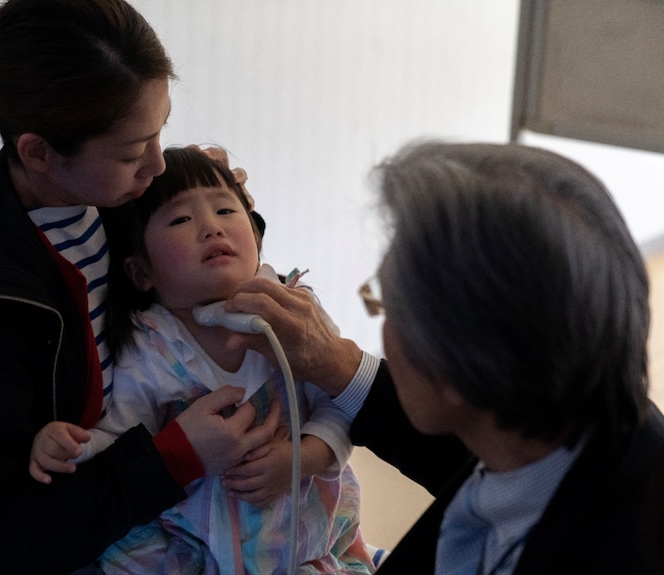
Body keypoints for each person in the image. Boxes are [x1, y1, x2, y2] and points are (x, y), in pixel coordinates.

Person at [0, 1, 281, 573]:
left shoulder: (98, 204)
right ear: (38, 152)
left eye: (159, 130)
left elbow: (175, 271)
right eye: (130, 151)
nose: (157, 165)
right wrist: (172, 460)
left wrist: (228, 210)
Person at [221, 141, 664, 574]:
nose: (385, 332)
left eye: (390, 307)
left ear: (458, 366)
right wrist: (337, 364)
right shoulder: (545, 436)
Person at [29, 146, 376, 574]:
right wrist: (72, 446)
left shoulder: (293, 311)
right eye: (180, 219)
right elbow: (124, 437)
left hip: (302, 537)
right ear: (141, 273)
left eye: (227, 211)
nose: (212, 228)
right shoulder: (151, 346)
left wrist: (303, 457)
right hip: (194, 543)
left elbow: (343, 407)